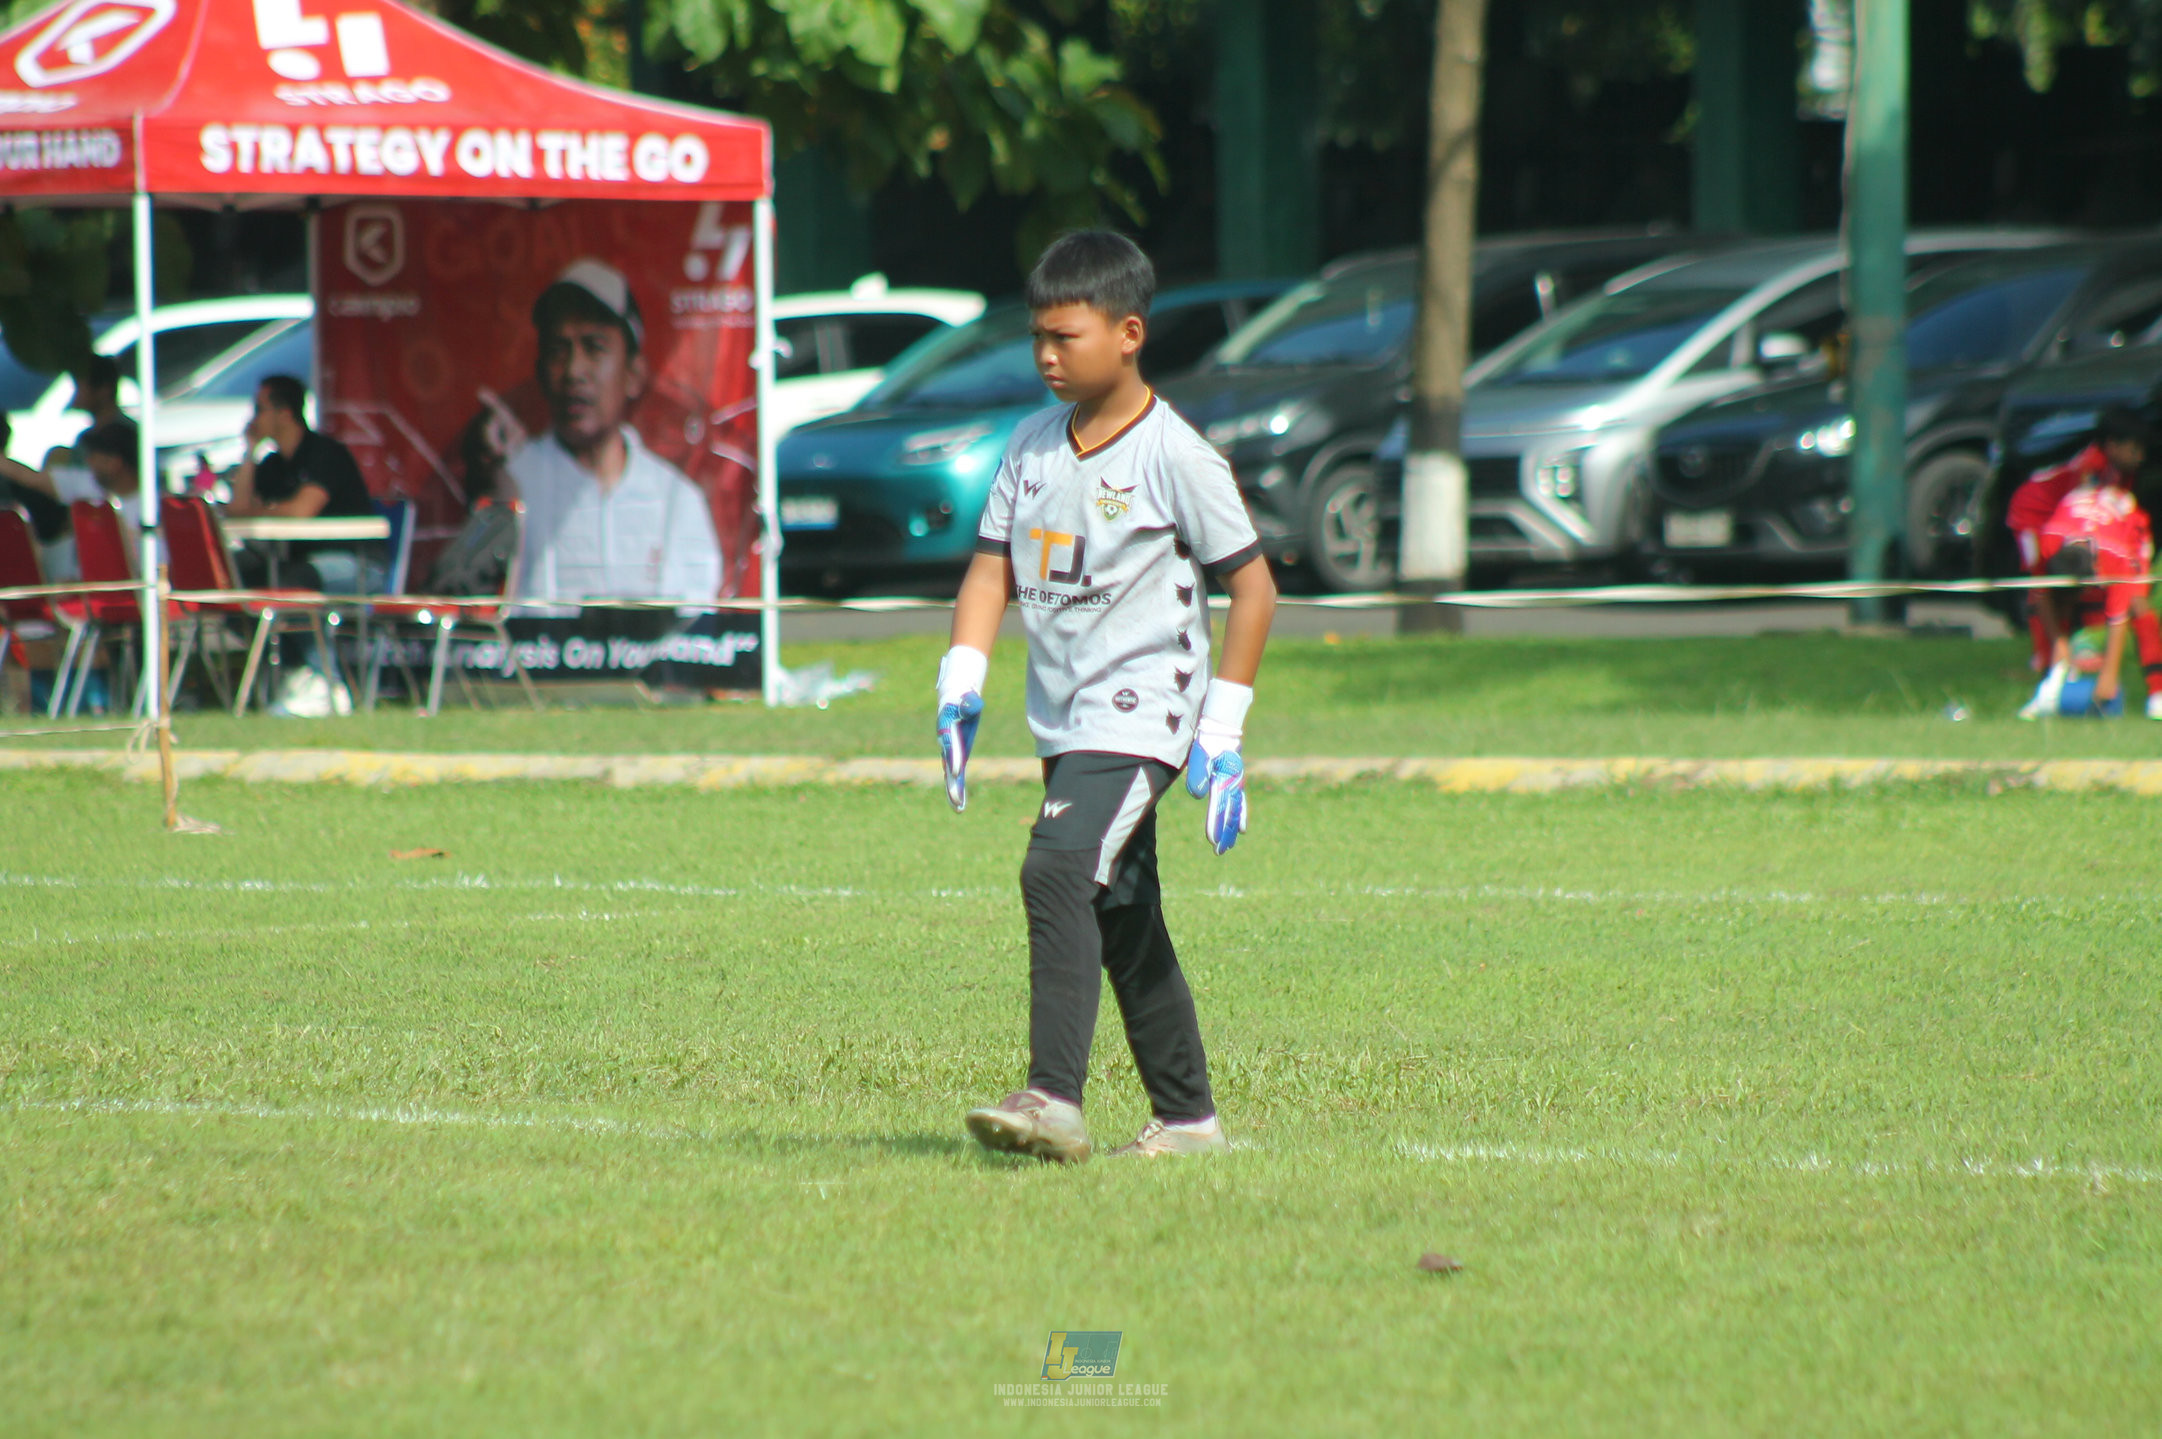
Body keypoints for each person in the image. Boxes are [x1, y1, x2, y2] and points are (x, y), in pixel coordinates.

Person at [937, 231, 1278, 1164]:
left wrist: (1223, 729)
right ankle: (1191, 1120)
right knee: (1121, 906)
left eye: (1066, 337)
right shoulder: (1031, 446)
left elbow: (1254, 588)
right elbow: (989, 569)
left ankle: (1053, 1097)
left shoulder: (1178, 455)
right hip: (1065, 715)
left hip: (1143, 712)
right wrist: (961, 678)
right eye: (1036, 338)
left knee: (1054, 868)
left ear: (1129, 333)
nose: (1047, 356)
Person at [469, 259, 721, 605]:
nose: (574, 371)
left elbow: (700, 630)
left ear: (633, 374)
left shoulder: (676, 501)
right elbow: (475, 609)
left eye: (594, 347)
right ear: (541, 371)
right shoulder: (513, 484)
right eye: (559, 350)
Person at [2009, 409, 2151, 714]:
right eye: (2134, 449)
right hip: (2034, 514)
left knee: (2088, 592)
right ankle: (2049, 662)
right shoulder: (2093, 467)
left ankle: (2074, 661)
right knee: (2043, 586)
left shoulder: (2119, 474)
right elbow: (2043, 586)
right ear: (2112, 446)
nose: (2140, 457)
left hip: (2071, 528)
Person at [226, 374, 377, 592]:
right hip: (302, 559)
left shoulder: (326, 453)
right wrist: (250, 452)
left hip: (353, 561)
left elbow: (301, 510)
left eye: (259, 409)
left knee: (291, 581)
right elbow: (237, 510)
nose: (253, 419)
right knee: (237, 573)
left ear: (284, 414)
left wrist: (261, 510)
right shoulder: (272, 464)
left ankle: (292, 627)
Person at [0, 417, 148, 577]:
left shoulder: (151, 509)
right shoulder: (87, 483)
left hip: (128, 591)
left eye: (94, 456)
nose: (88, 461)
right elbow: (28, 477)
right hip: (79, 590)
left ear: (114, 463)